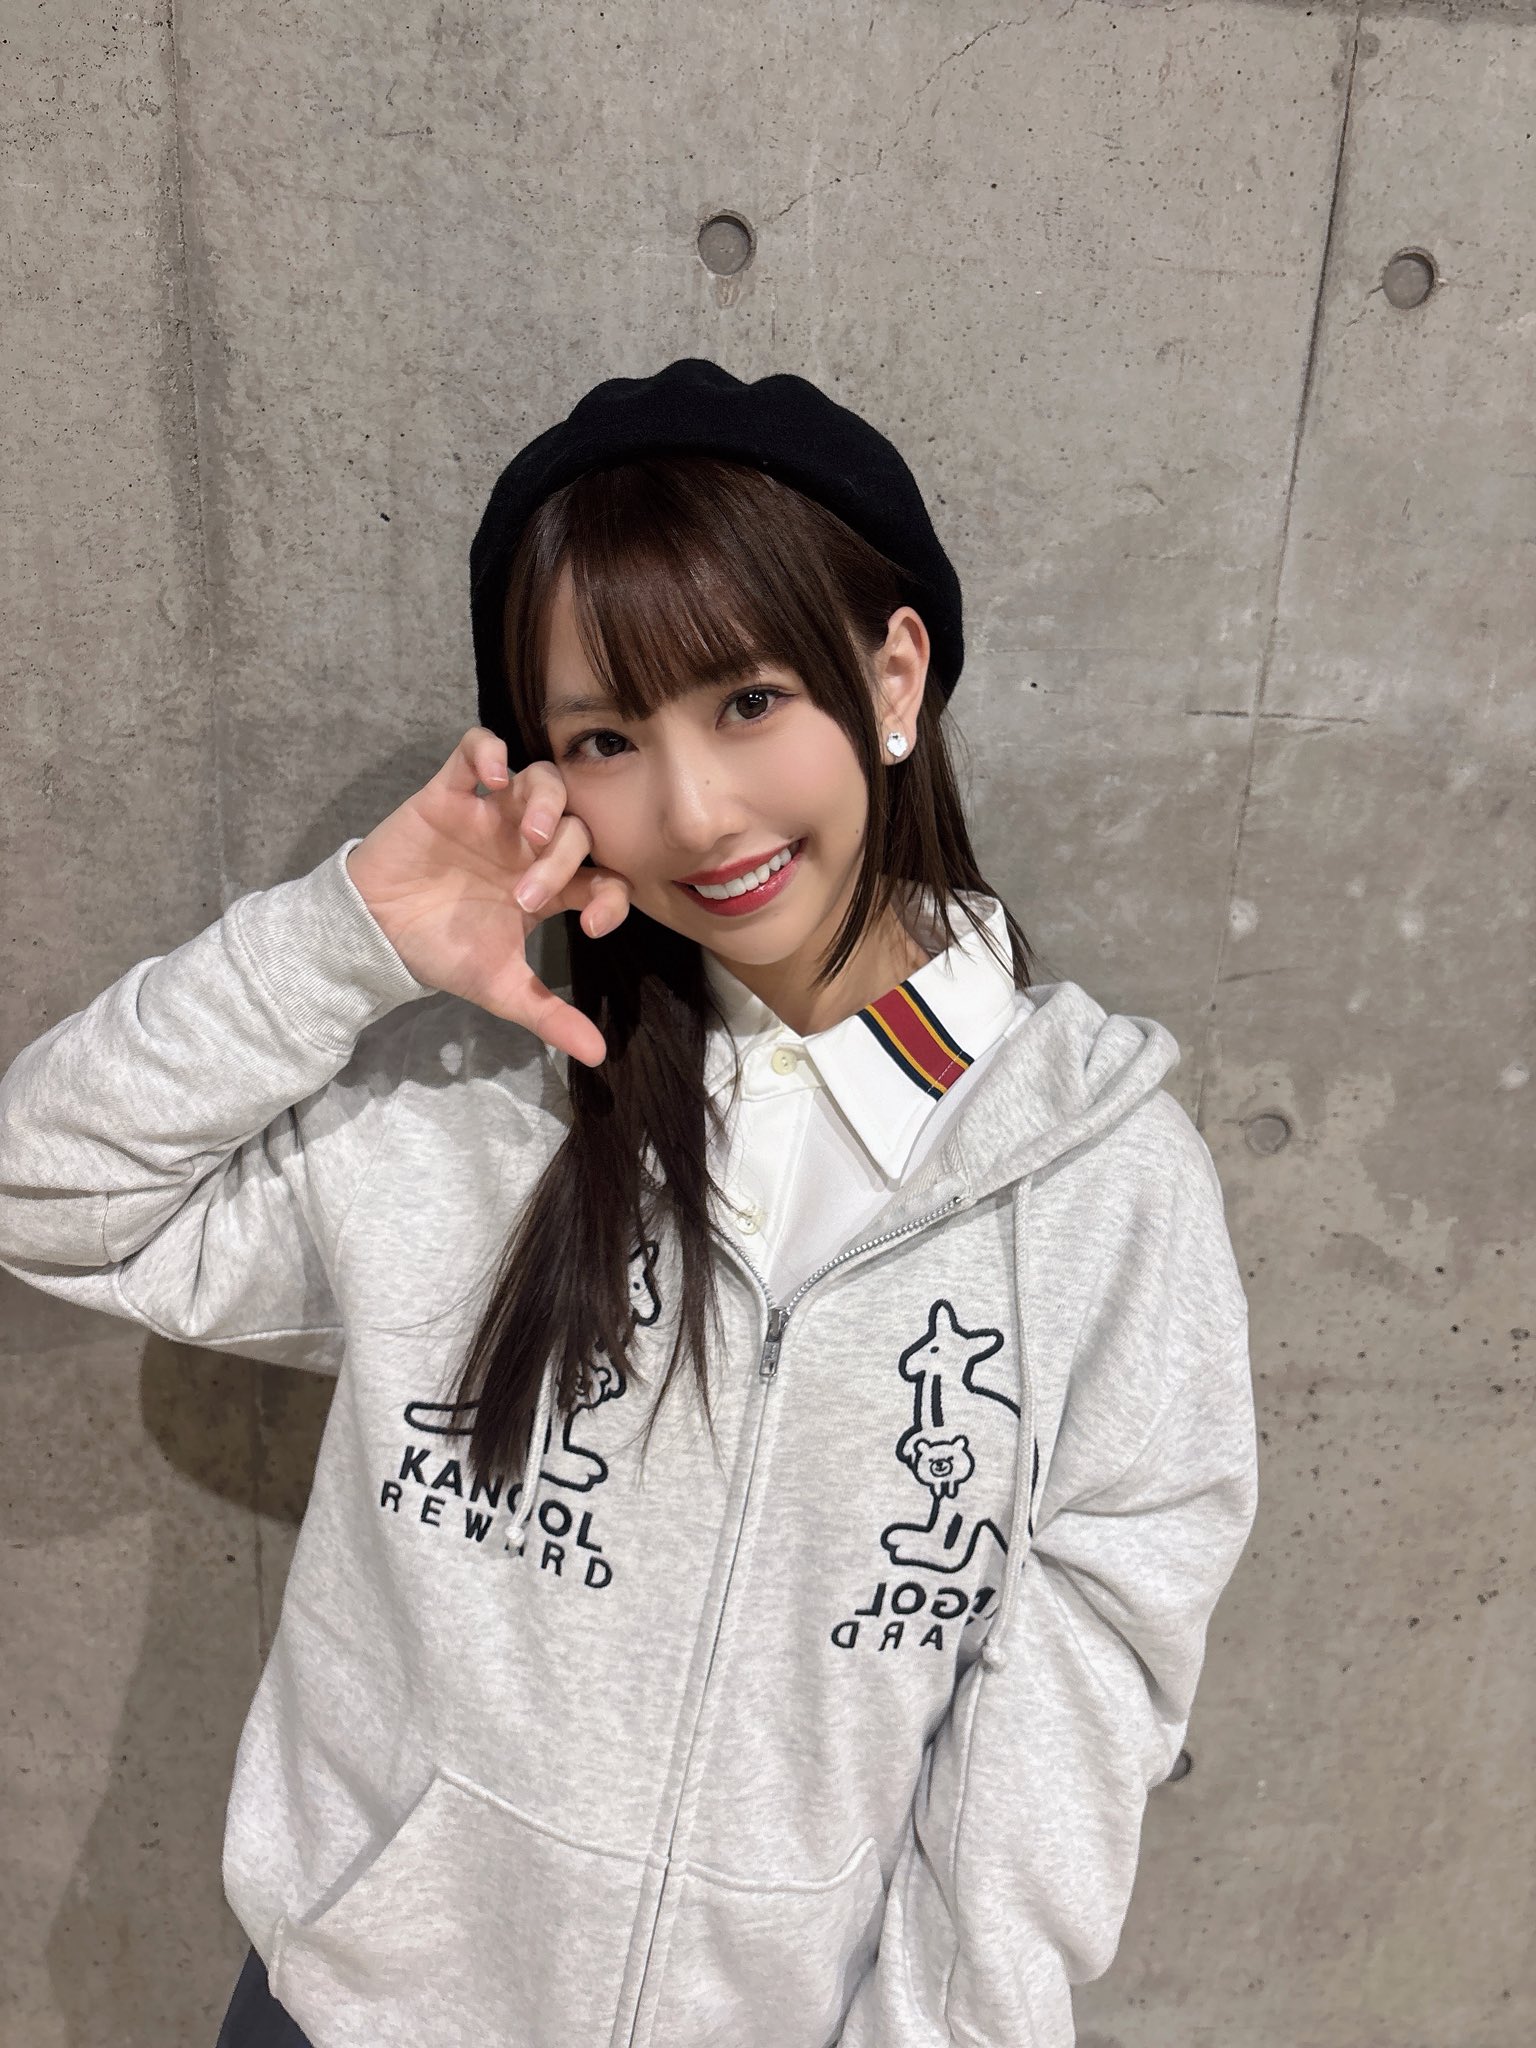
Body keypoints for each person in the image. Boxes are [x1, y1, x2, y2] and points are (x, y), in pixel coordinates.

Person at [0, 358, 1259, 2048]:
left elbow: (1072, 1730)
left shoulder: (1104, 1192)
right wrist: (350, 936)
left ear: (893, 674)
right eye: (606, 739)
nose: (694, 813)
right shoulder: (473, 1111)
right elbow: (52, 1187)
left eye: (748, 700)